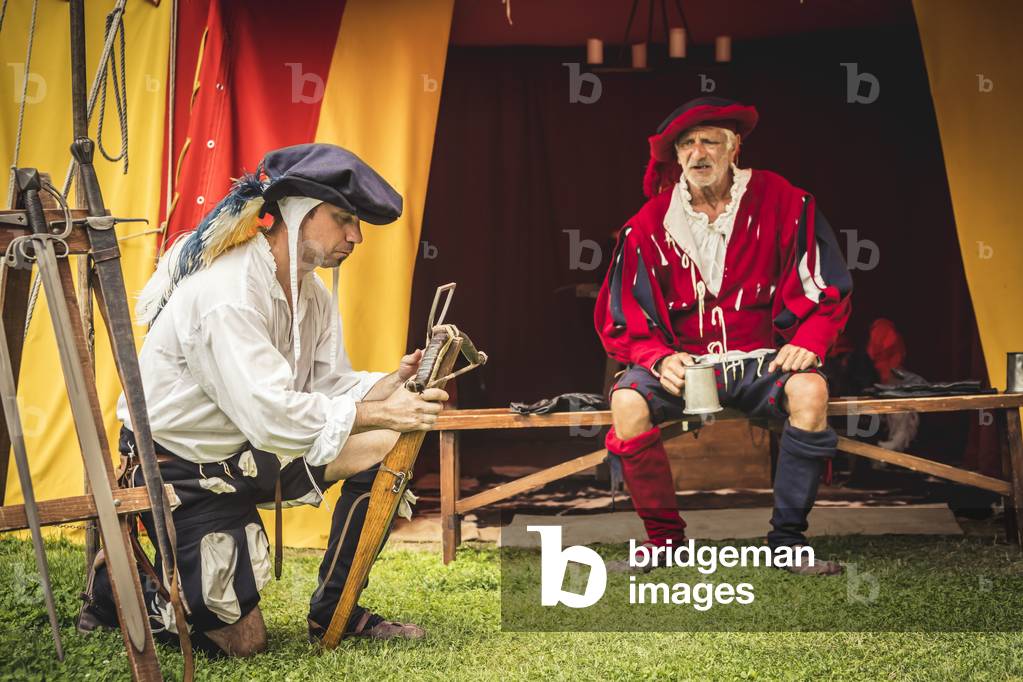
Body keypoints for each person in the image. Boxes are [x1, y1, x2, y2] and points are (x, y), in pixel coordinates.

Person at [78, 143, 445, 656]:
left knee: (389, 442)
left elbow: (328, 388)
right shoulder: (228, 292)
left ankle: (335, 610)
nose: (355, 237)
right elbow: (274, 416)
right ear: (298, 214)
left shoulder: (311, 292)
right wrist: (381, 410)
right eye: (343, 219)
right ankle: (117, 587)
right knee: (244, 644)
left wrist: (391, 383)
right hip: (181, 468)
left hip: (252, 452)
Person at [595, 97, 853, 575]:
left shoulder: (785, 201)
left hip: (761, 362)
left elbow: (826, 286)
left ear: (734, 149)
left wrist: (809, 340)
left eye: (710, 141)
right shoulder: (647, 225)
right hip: (686, 366)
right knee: (627, 402)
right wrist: (655, 356)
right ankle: (665, 541)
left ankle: (786, 543)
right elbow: (621, 313)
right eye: (687, 144)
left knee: (811, 389)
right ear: (676, 157)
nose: (699, 152)